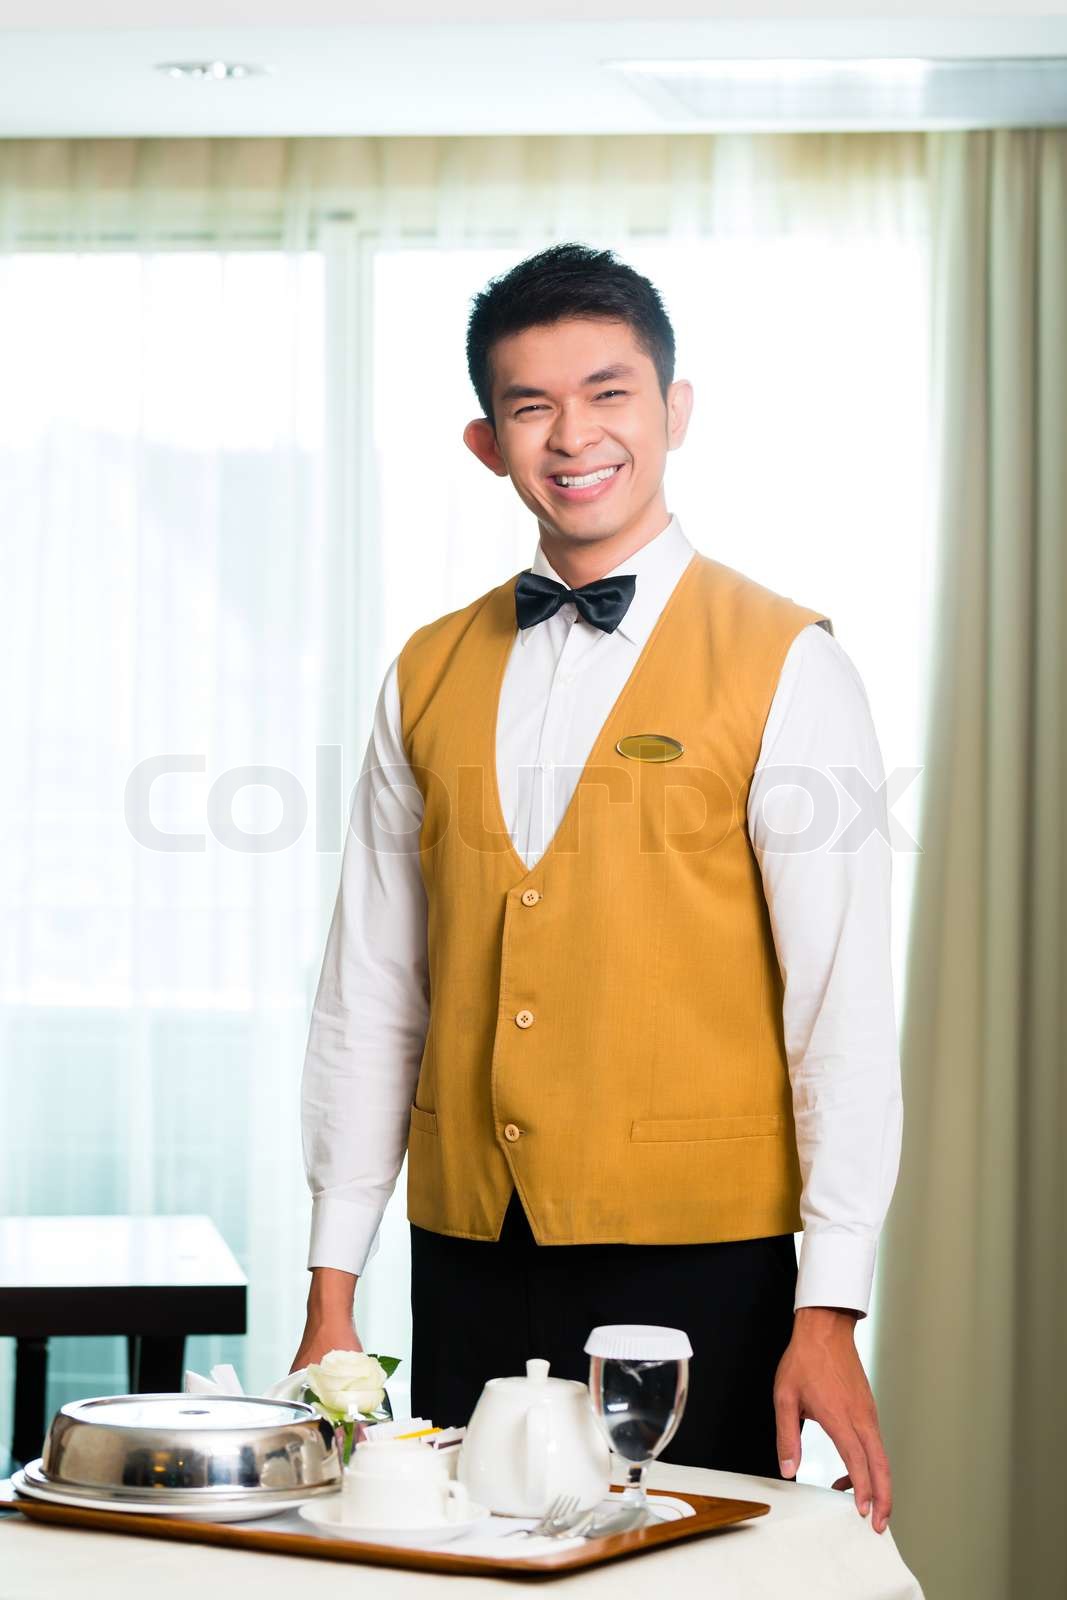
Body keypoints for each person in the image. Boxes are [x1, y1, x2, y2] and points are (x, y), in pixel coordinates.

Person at [292, 242, 901, 1535]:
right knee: (463, 1560)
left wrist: (831, 1305)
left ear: (676, 413)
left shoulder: (789, 664)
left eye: (610, 393)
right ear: (485, 440)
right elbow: (372, 993)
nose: (575, 435)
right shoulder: (425, 669)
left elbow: (840, 1010)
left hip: (702, 1270)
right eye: (532, 404)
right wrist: (332, 1287)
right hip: (465, 1255)